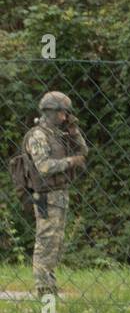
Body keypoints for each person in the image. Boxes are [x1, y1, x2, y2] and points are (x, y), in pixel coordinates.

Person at [22, 91, 87, 299]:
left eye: (66, 114)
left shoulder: (58, 133)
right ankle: (43, 290)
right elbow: (43, 167)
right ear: (50, 112)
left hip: (59, 194)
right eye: (62, 113)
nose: (64, 117)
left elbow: (83, 150)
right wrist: (70, 162)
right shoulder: (38, 135)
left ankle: (50, 285)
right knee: (45, 242)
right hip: (44, 196)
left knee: (56, 243)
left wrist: (74, 130)